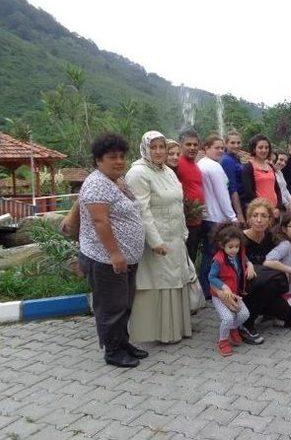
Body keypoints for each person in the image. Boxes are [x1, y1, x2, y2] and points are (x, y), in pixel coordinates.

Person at [78, 133, 146, 368]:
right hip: (105, 259)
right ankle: (113, 351)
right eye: (111, 157)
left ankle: (123, 342)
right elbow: (100, 223)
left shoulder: (117, 180)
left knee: (124, 303)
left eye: (121, 156)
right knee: (112, 307)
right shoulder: (97, 184)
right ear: (98, 160)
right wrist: (115, 254)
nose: (118, 161)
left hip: (126, 257)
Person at [125, 131, 193, 344]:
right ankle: (160, 332)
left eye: (161, 147)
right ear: (145, 148)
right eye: (153, 147)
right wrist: (155, 242)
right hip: (157, 239)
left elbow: (177, 204)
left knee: (175, 280)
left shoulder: (167, 171)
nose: (158, 151)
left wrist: (183, 233)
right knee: (160, 283)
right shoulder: (138, 173)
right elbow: (142, 211)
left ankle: (176, 330)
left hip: (174, 236)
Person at [196, 134, 238, 300]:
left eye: (222, 148)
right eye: (217, 147)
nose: (220, 150)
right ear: (206, 148)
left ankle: (205, 290)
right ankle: (208, 290)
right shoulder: (214, 167)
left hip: (206, 216)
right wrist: (233, 217)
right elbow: (223, 195)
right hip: (216, 218)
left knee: (207, 254)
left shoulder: (202, 164)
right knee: (212, 256)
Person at [241, 199, 288, 344]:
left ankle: (267, 311)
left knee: (280, 282)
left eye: (264, 216)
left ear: (269, 220)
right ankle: (246, 324)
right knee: (275, 278)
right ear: (249, 219)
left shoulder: (272, 238)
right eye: (255, 216)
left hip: (267, 283)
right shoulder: (241, 238)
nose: (259, 220)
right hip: (244, 283)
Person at [207, 224, 255, 356]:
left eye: (237, 246)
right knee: (227, 318)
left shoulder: (239, 255)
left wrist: (250, 266)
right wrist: (224, 286)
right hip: (220, 296)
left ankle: (233, 328)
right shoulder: (218, 260)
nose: (234, 250)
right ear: (222, 245)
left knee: (244, 314)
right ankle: (223, 341)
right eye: (230, 247)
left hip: (235, 294)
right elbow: (211, 277)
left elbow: (245, 260)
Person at [175, 129, 205, 262]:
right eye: (188, 144)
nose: (192, 148)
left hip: (196, 221)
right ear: (181, 145)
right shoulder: (176, 164)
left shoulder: (195, 165)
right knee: (183, 259)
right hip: (184, 221)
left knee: (191, 257)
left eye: (195, 144)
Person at [242, 134, 281, 210]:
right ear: (254, 149)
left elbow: (277, 189)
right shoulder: (249, 167)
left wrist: (278, 207)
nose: (264, 150)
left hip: (274, 210)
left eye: (266, 148)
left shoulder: (270, 167)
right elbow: (248, 192)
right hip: (259, 210)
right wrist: (261, 207)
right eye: (260, 147)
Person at [220, 131, 246, 224]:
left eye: (238, 143)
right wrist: (239, 214)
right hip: (237, 204)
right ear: (226, 144)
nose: (236, 145)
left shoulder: (236, 158)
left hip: (243, 200)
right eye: (232, 143)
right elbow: (232, 188)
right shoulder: (227, 161)